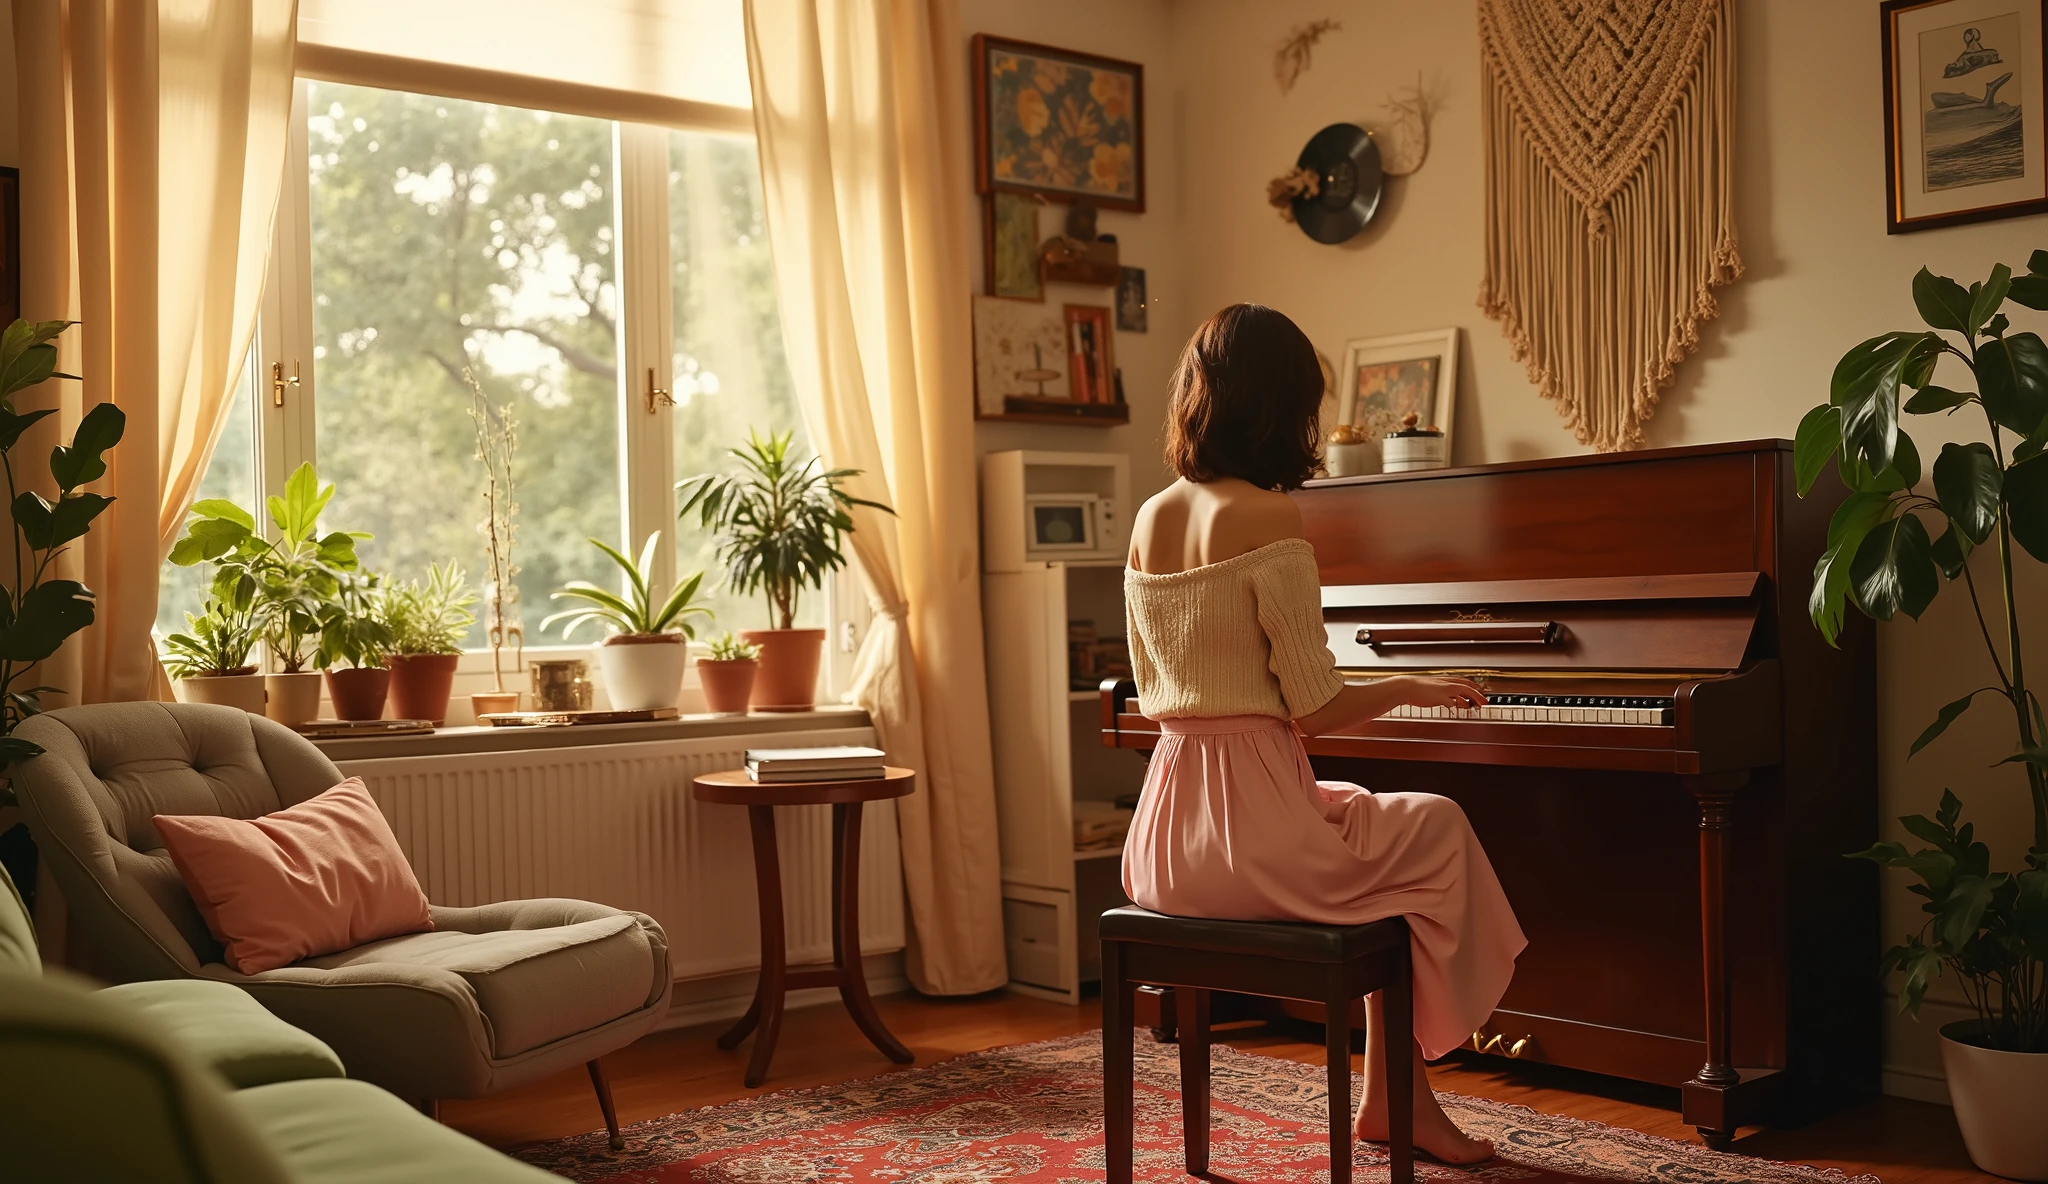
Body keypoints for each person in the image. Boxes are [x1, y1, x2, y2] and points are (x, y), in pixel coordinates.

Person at [1121, 303, 1526, 1165]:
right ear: (1278, 406)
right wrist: (1417, 684)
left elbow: (1174, 689)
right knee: (1435, 829)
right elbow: (1318, 709)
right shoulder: (1268, 518)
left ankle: (1390, 1104)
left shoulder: (1150, 517)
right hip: (1252, 837)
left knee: (1383, 836)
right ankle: (1404, 1099)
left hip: (1166, 835)